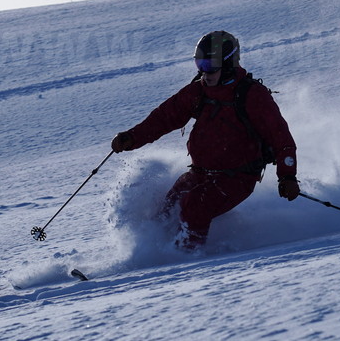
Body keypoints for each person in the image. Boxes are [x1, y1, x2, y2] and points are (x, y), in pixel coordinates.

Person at [110, 30, 300, 251]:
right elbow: (164, 117)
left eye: (209, 66)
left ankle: (187, 257)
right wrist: (132, 137)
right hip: (200, 172)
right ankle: (153, 254)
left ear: (228, 64)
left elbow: (281, 138)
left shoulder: (252, 95)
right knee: (168, 209)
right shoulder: (200, 91)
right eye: (199, 64)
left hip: (237, 177)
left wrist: (288, 177)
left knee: (195, 206)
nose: (203, 72)